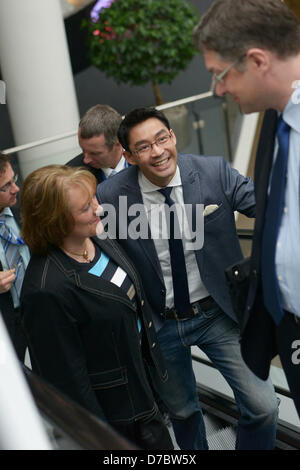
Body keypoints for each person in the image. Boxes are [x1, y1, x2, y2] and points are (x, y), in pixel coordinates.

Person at [97, 106, 279, 450]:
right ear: (130, 156)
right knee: (183, 413)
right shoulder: (111, 196)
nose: (158, 151)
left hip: (219, 314)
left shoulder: (213, 172)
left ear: (173, 136)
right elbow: (104, 255)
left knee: (264, 407)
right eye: (144, 146)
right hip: (159, 324)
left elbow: (268, 207)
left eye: (162, 138)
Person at [193, 0, 300, 419]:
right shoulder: (276, 119)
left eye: (219, 75)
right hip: (289, 332)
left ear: (256, 60)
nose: (217, 90)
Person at [20, 165, 173, 450]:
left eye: (93, 199)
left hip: (146, 392)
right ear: (55, 221)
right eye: (84, 207)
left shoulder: (96, 237)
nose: (99, 209)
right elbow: (68, 383)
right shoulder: (45, 290)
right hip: (120, 421)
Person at [0, 152, 30, 361]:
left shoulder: (26, 211)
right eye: (6, 186)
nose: (16, 189)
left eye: (15, 179)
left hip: (40, 312)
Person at [67, 104, 128, 183]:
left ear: (119, 143)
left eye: (94, 153)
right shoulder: (72, 176)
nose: (86, 160)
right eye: (83, 150)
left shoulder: (142, 161)